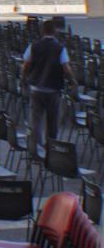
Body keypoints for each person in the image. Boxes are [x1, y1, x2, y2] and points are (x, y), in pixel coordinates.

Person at [21, 19, 76, 156]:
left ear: (41, 31)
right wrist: (72, 80)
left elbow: (26, 65)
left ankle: (36, 149)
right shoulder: (60, 48)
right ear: (55, 31)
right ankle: (51, 149)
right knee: (52, 121)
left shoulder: (33, 46)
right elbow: (66, 68)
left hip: (36, 88)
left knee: (35, 120)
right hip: (53, 89)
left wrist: (23, 79)